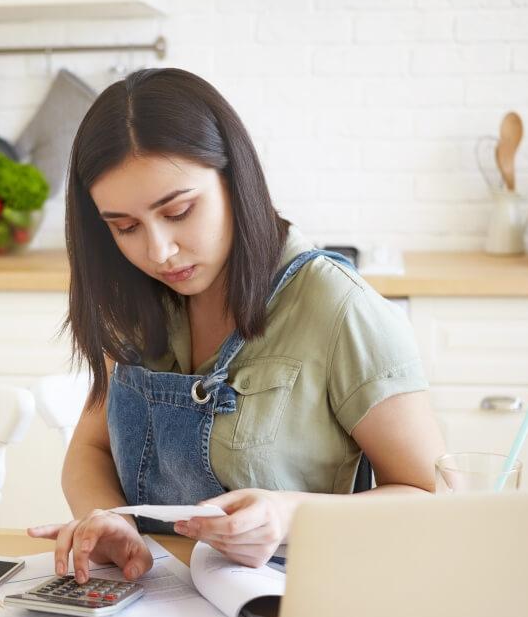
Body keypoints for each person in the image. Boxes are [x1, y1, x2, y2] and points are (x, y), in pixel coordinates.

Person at [29, 68, 445, 583]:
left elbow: (432, 499)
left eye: (179, 211)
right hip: (154, 603)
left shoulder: (337, 307)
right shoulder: (135, 301)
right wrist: (109, 519)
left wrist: (289, 513)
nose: (158, 251)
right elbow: (89, 450)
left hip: (294, 610)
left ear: (234, 178)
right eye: (126, 227)